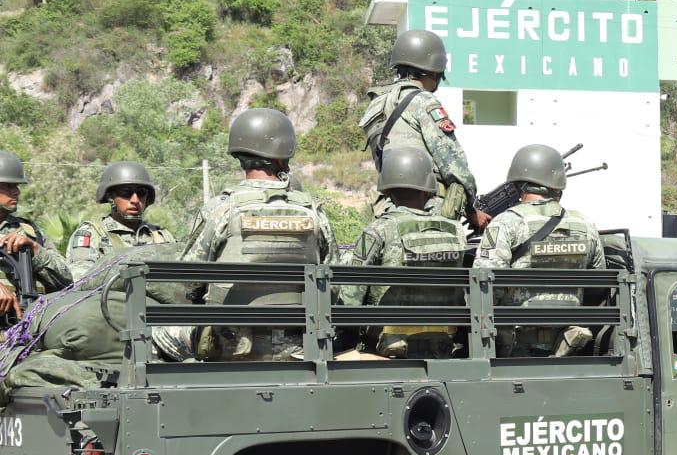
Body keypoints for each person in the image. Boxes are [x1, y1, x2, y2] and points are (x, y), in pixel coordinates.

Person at [178, 108, 336, 361]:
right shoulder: (314, 214)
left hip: (231, 349)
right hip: (300, 349)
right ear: (284, 154)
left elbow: (188, 281)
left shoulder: (221, 210)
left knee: (160, 333)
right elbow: (332, 280)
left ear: (240, 155)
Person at [475, 143, 604, 357]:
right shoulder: (586, 226)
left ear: (518, 185)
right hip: (569, 346)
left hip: (514, 348)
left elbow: (486, 288)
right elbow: (598, 286)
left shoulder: (506, 223)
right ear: (558, 186)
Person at [339, 146, 468, 358]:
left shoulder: (379, 229)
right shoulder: (455, 230)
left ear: (387, 191)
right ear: (428, 189)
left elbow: (352, 294)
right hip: (444, 342)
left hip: (387, 346)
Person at [359, 28, 490, 234]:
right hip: (428, 208)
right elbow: (453, 163)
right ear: (433, 70)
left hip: (388, 207)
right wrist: (470, 208)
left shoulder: (376, 105)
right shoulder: (423, 102)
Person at [67, 161, 176, 274]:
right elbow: (82, 279)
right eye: (125, 192)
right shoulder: (92, 234)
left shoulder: (162, 236)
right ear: (110, 196)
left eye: (141, 193)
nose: (135, 200)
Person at [0, 151, 72, 319]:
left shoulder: (29, 230)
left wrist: (35, 249)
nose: (16, 192)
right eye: (8, 186)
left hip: (29, 332)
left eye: (16, 186)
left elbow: (66, 281)